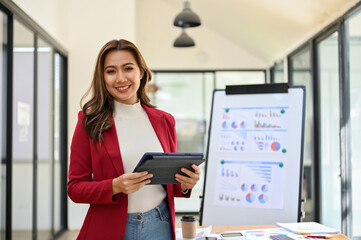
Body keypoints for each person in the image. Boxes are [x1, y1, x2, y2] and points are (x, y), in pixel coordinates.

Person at [67, 39, 201, 240]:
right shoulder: (89, 121)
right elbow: (75, 188)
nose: (120, 78)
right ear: (102, 77)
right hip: (110, 229)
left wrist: (185, 183)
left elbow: (169, 183)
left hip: (160, 224)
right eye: (111, 71)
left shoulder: (164, 121)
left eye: (128, 68)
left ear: (141, 72)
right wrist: (114, 186)